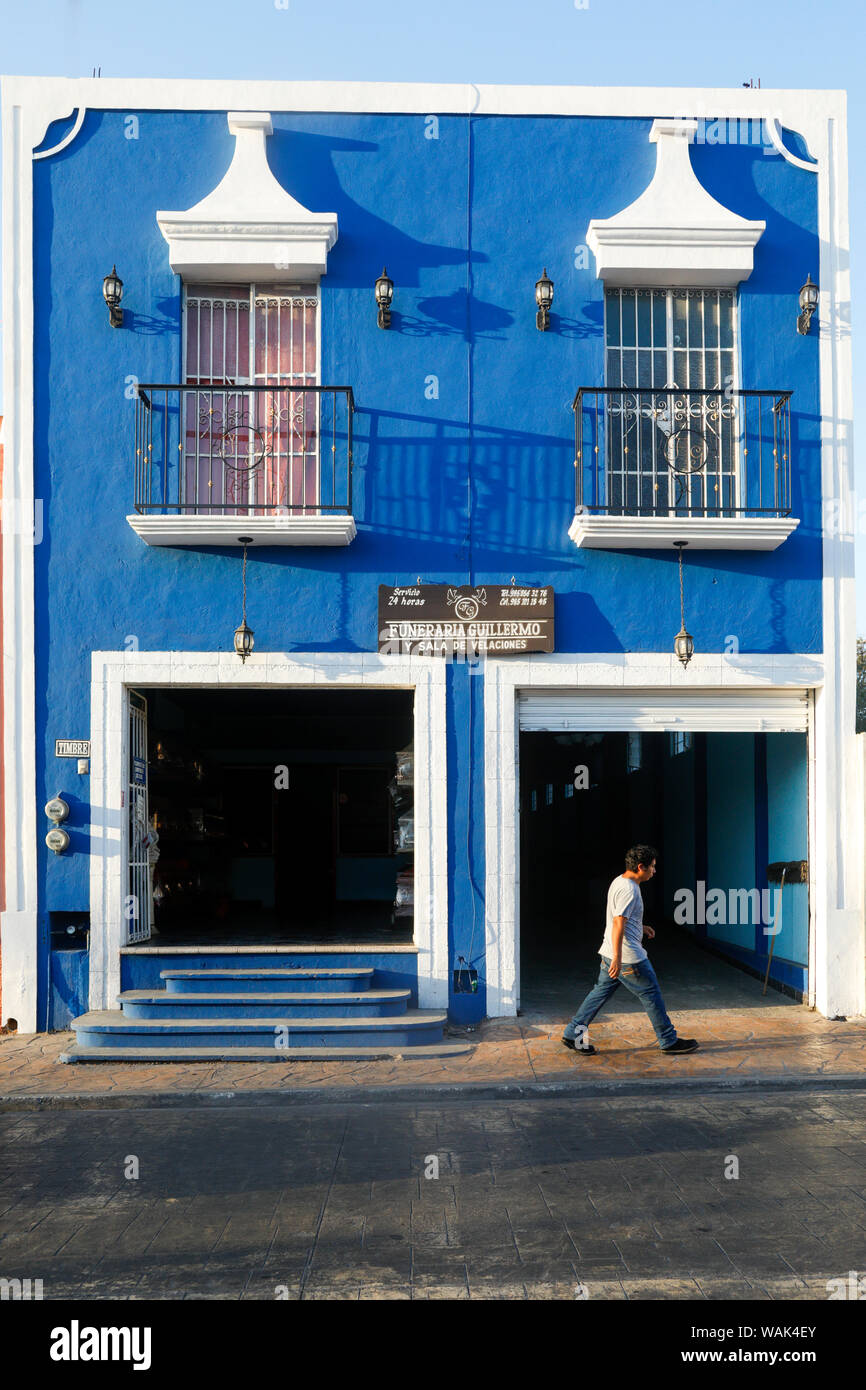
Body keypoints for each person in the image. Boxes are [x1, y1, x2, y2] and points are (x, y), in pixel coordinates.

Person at [562, 845, 699, 1056]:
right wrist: (618, 958)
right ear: (640, 866)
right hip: (627, 958)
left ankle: (573, 1033)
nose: (655, 871)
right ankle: (668, 1040)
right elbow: (618, 922)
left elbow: (623, 918)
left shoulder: (619, 881)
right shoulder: (629, 889)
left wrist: (640, 927)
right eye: (652, 867)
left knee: (598, 995)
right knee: (651, 995)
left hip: (609, 952)